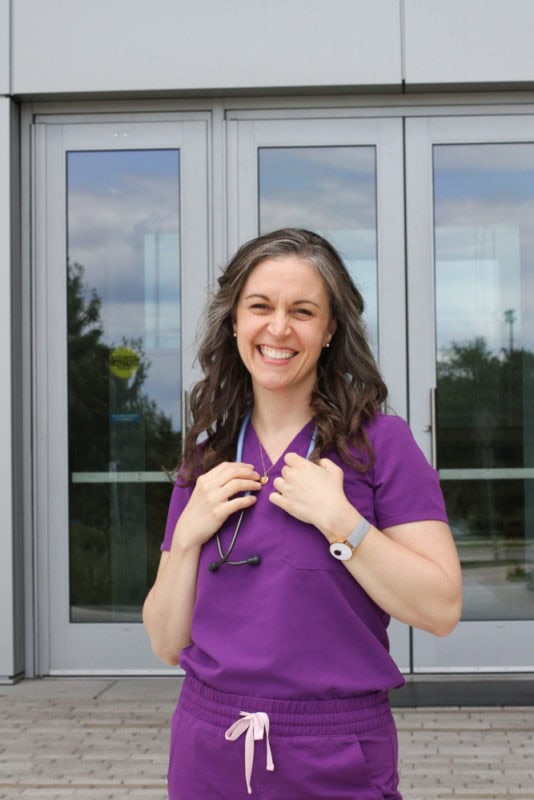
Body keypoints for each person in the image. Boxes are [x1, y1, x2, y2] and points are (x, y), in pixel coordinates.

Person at [143, 228, 462, 800]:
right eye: (260, 306)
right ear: (234, 321)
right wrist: (187, 536)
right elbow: (168, 642)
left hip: (335, 752)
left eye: (303, 311)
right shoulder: (209, 459)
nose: (279, 328)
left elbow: (440, 609)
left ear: (330, 328)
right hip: (209, 747)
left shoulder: (380, 446)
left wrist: (342, 523)